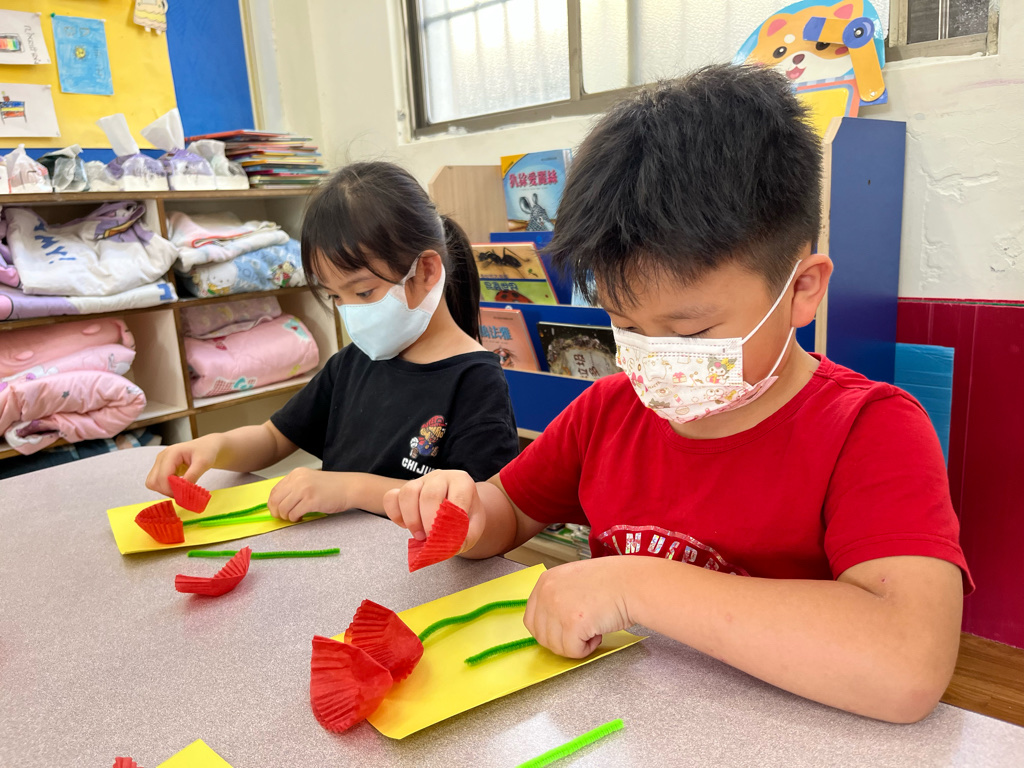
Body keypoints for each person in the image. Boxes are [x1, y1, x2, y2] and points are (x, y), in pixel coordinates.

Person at [383, 65, 972, 723]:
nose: (653, 357)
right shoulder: (607, 412)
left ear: (802, 290)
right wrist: (463, 510)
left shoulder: (871, 430)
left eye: (690, 332)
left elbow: (907, 665)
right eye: (627, 326)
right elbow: (508, 512)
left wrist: (634, 586)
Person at [146, 161, 519, 520]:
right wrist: (215, 447)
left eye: (363, 292)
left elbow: (476, 509)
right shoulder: (354, 362)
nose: (349, 310)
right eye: (335, 296)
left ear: (426, 270)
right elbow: (273, 439)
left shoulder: (475, 381)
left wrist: (351, 489)